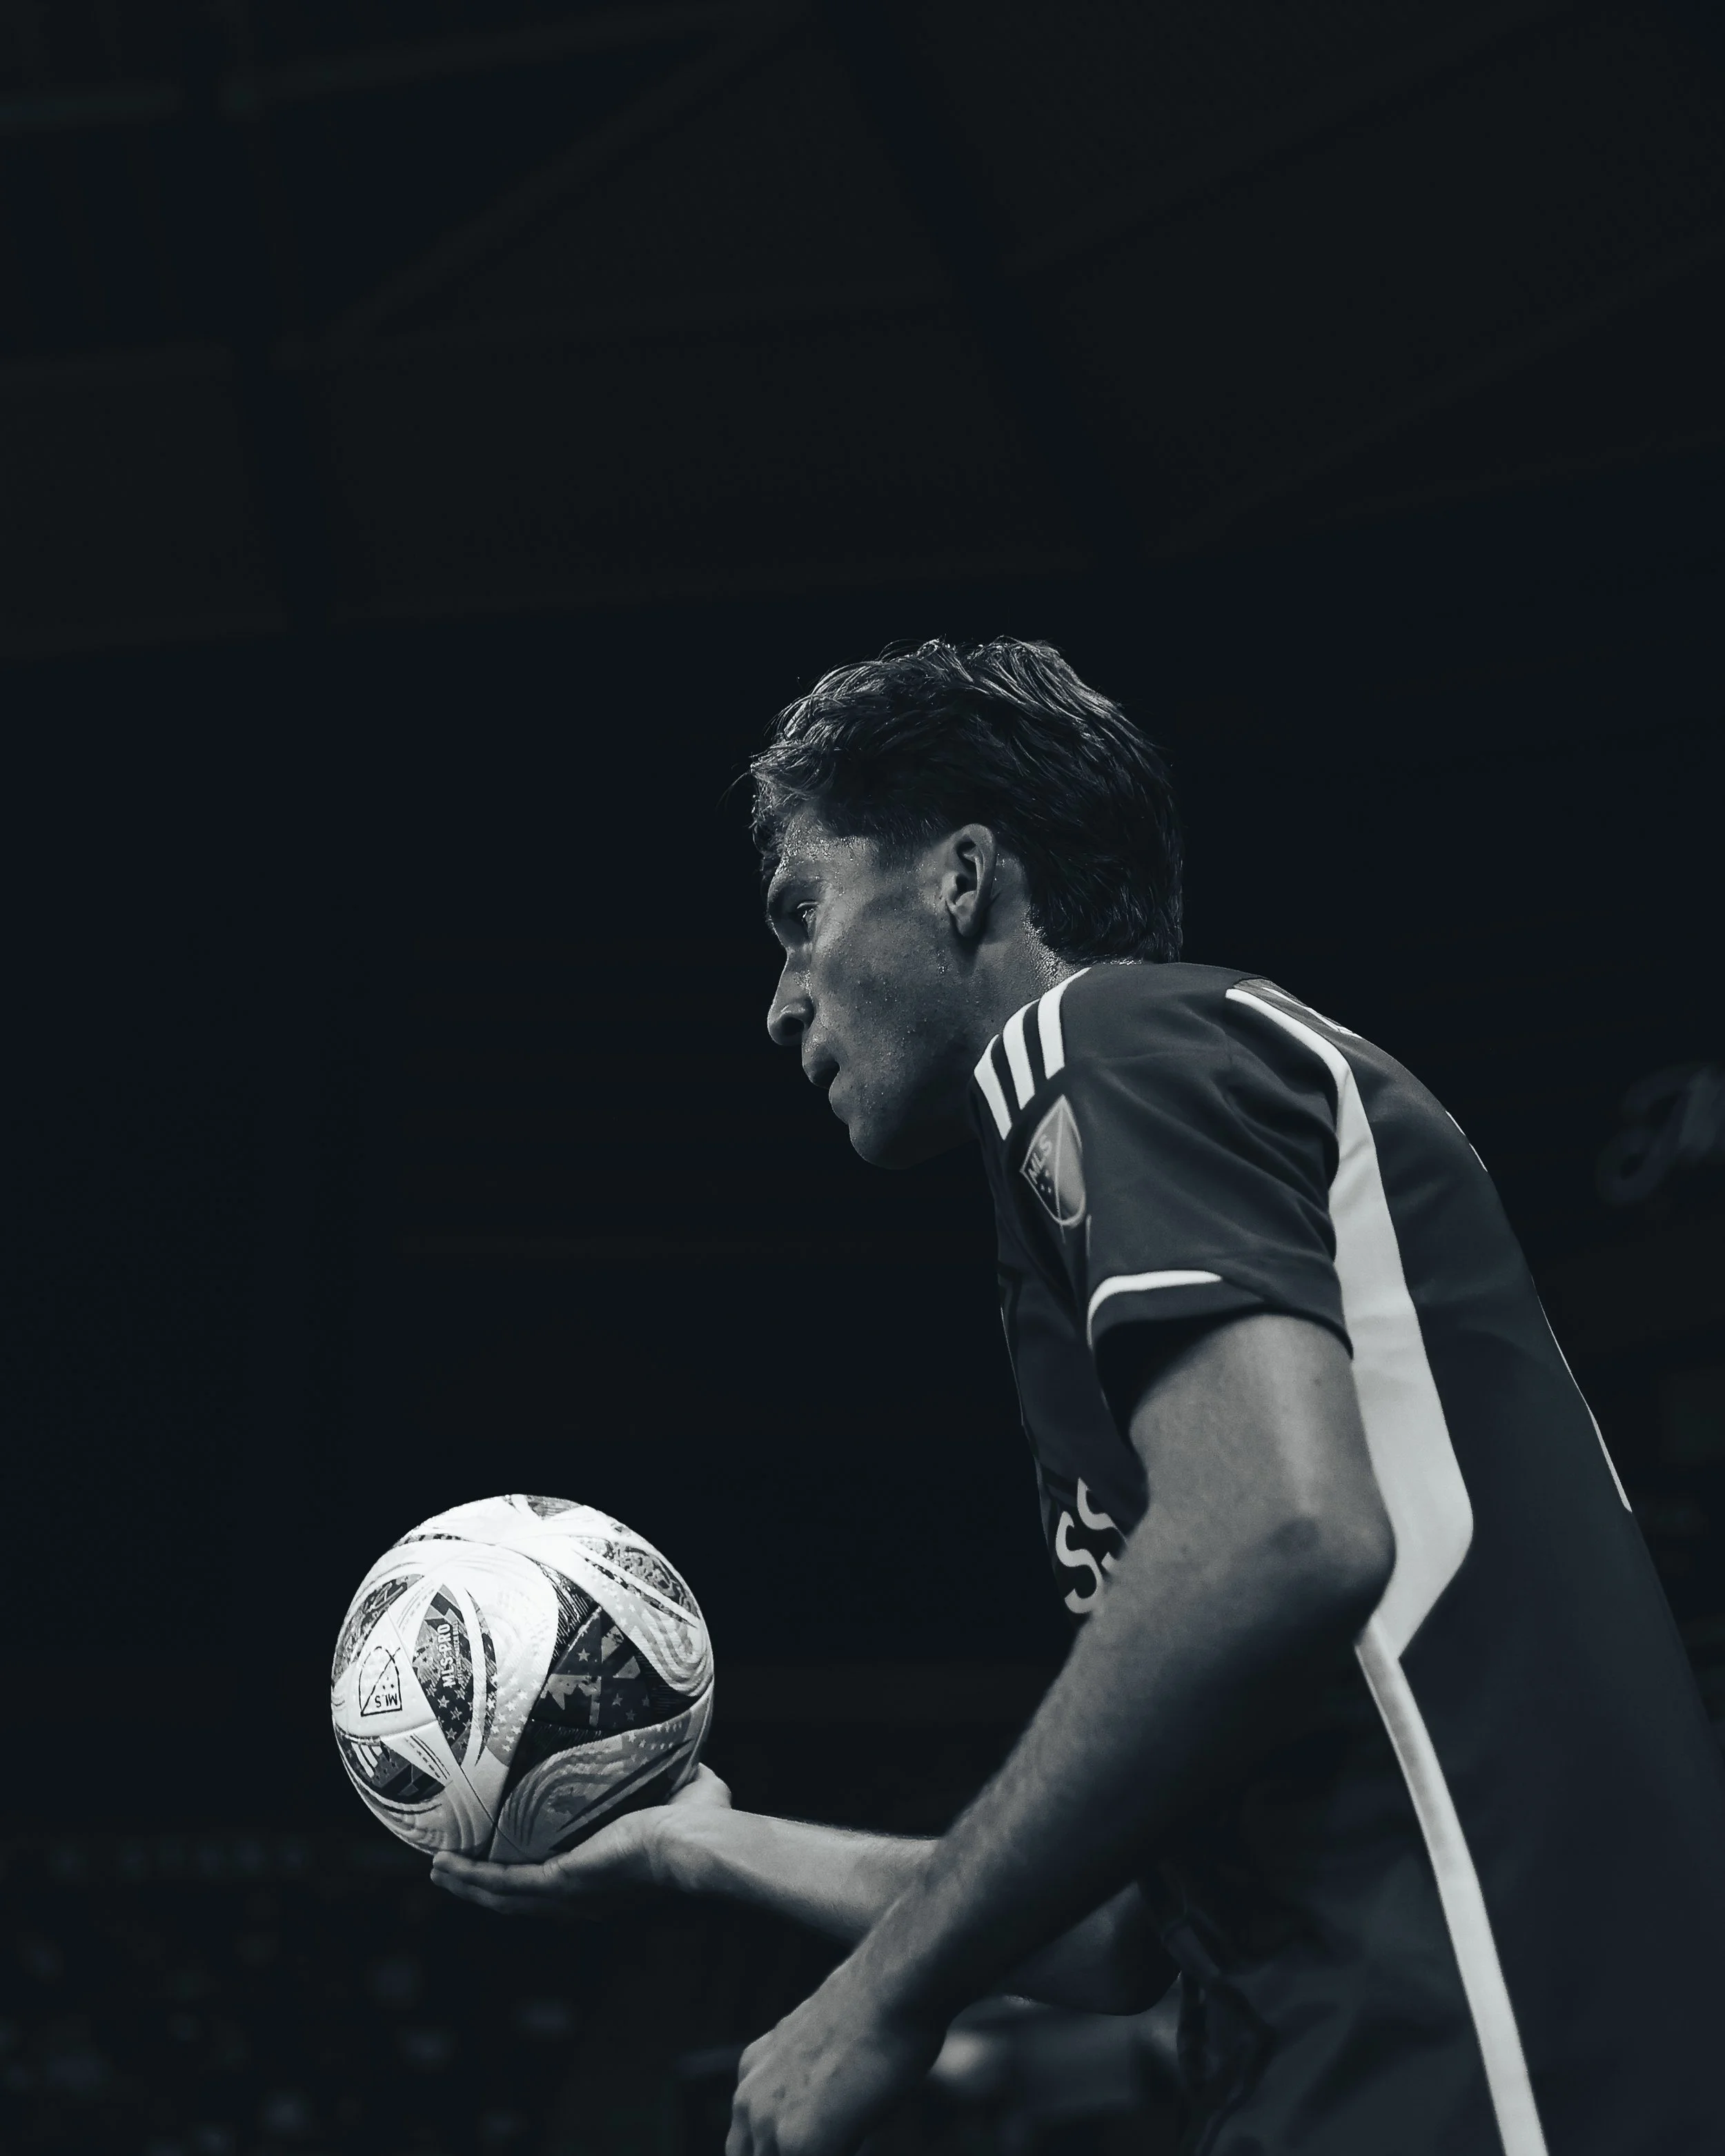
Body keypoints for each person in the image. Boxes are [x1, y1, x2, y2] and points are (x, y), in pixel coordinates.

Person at [431, 640, 1725, 2155]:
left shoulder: (1103, 1037)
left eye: (801, 918)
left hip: (1487, 2053)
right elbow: (1124, 1928)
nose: (780, 1003)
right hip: (1353, 2071)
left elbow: (1281, 1536)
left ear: (964, 876)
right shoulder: (1107, 1205)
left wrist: (878, 1998)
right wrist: (708, 1845)